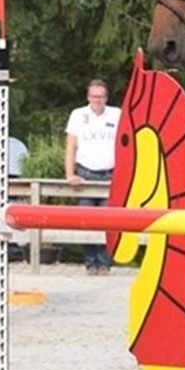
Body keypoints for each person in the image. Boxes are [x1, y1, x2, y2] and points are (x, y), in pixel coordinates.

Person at [64, 79, 120, 274]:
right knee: (85, 220)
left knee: (108, 221)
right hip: (85, 174)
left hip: (110, 174)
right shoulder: (78, 115)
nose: (98, 100)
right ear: (88, 97)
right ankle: (90, 263)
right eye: (94, 96)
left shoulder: (116, 114)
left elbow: (126, 145)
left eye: (101, 96)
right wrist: (69, 174)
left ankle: (104, 263)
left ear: (106, 97)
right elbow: (71, 146)